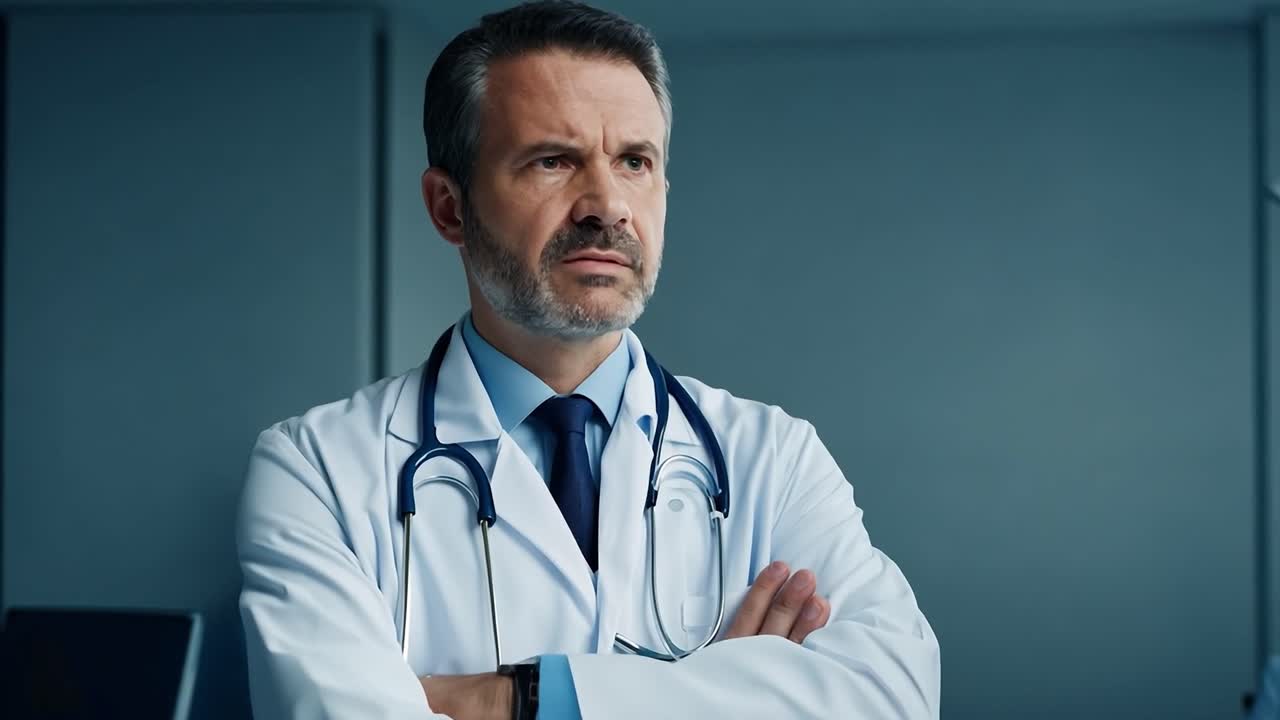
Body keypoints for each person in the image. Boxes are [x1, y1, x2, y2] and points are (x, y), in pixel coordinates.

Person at [235, 1, 940, 718]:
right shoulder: (317, 468)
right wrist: (727, 689)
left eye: (635, 161)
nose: (606, 205)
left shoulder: (774, 460)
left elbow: (892, 697)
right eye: (553, 161)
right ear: (449, 208)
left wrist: (520, 698)